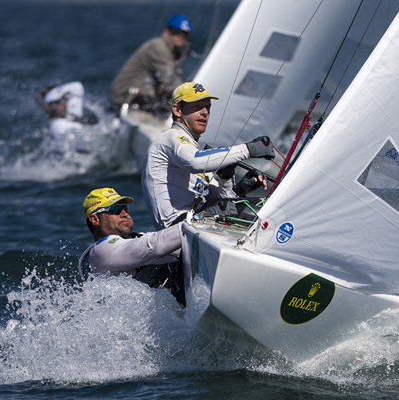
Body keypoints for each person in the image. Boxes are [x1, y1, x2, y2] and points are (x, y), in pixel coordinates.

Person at [142, 82, 275, 230]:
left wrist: (238, 188)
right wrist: (249, 149)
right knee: (260, 214)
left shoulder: (193, 151)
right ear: (177, 110)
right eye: (197, 106)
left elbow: (223, 199)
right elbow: (194, 162)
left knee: (264, 210)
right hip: (177, 229)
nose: (205, 112)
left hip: (195, 224)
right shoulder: (170, 138)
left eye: (207, 107)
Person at [79, 187, 185, 304]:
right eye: (115, 209)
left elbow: (163, 242)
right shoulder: (102, 249)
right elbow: (155, 246)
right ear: (95, 220)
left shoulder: (133, 239)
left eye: (125, 208)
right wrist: (192, 223)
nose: (124, 214)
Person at [109, 14, 193, 114]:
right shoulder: (158, 47)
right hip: (126, 98)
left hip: (141, 97)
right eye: (176, 32)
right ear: (166, 31)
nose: (181, 36)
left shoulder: (172, 52)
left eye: (185, 34)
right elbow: (169, 82)